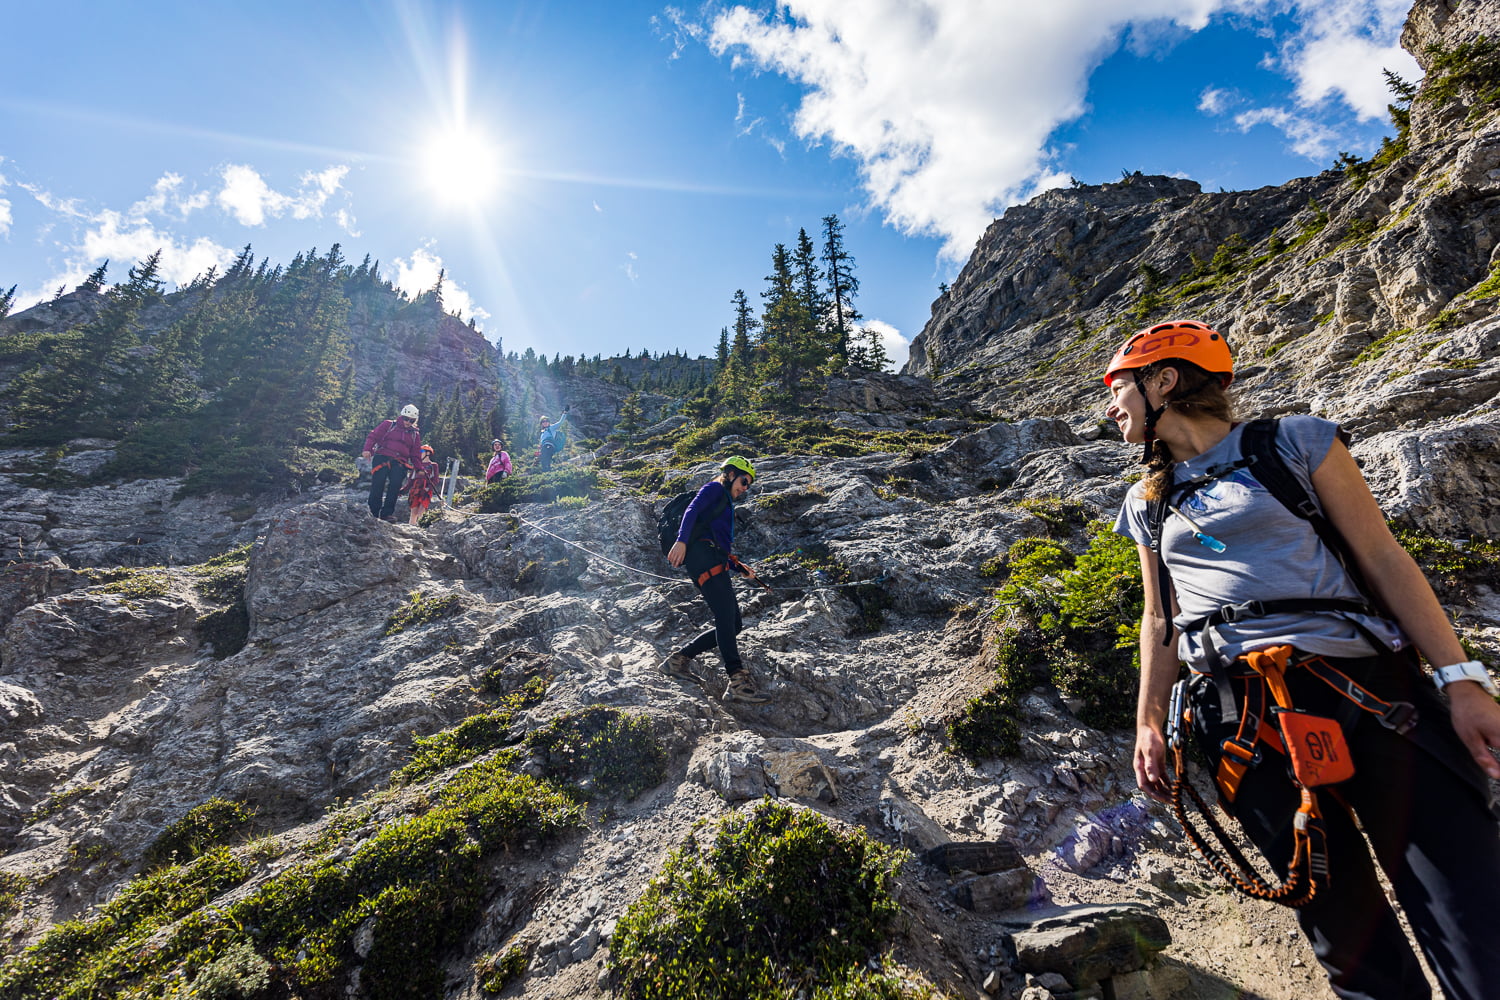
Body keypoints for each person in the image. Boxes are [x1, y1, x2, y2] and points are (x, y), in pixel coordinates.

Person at [1106, 319, 1500, 1000]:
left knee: (1471, 914)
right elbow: (1161, 618)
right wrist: (1147, 724)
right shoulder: (1148, 500)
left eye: (1118, 388)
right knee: (1346, 938)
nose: (1110, 406)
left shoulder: (1294, 443)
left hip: (1368, 690)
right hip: (1242, 721)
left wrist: (1462, 680)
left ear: (1163, 381)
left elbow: (1382, 559)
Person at [661, 456, 769, 703]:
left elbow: (718, 544)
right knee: (724, 616)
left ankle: (677, 662)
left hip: (713, 559)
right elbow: (692, 510)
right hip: (702, 558)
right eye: (744, 481)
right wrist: (681, 540)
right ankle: (736, 680)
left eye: (748, 485)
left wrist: (738, 567)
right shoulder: (713, 488)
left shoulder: (725, 503)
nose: (745, 488)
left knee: (734, 623)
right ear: (730, 474)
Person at [362, 404, 423, 522]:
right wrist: (367, 449)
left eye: (412, 420)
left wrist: (419, 468)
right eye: (406, 419)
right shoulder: (388, 425)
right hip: (382, 457)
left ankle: (387, 514)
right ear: (402, 416)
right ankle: (373, 512)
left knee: (395, 487)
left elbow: (416, 453)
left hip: (400, 462)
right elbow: (373, 435)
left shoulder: (415, 434)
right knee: (378, 484)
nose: (408, 422)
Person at [406, 444, 441, 525]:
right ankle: (411, 526)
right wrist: (402, 490)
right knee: (413, 511)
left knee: (422, 510)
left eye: (421, 451)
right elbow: (410, 480)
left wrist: (429, 488)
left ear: (428, 453)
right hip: (415, 489)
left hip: (426, 489)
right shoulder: (416, 466)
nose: (419, 453)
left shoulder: (433, 465)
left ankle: (420, 525)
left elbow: (436, 479)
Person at [538, 406, 569, 472]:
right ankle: (546, 472)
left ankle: (548, 471)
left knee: (547, 457)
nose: (545, 422)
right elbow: (541, 443)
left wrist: (565, 413)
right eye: (543, 421)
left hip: (550, 444)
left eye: (546, 421)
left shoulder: (552, 427)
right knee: (543, 459)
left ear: (549, 422)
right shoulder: (542, 432)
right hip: (544, 446)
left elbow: (560, 422)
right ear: (541, 424)